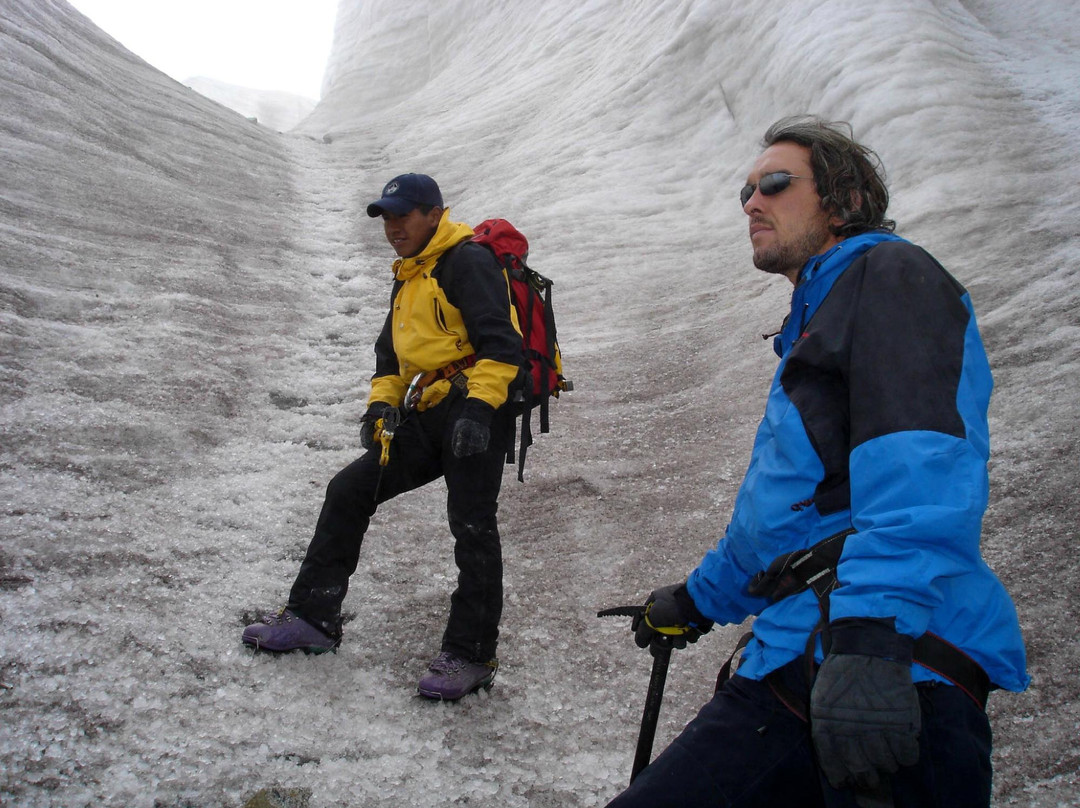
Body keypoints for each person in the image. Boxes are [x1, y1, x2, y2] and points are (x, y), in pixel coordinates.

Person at [605, 117, 1029, 807]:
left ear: (845, 202)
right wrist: (696, 600)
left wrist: (870, 638)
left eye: (775, 183)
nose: (751, 202)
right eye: (744, 190)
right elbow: (788, 516)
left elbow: (920, 468)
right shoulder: (822, 313)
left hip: (890, 671)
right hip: (809, 662)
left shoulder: (889, 274)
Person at [242, 173, 523, 701]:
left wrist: (480, 412)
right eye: (387, 218)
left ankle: (471, 655)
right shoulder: (410, 275)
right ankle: (312, 617)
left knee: (471, 524)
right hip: (431, 407)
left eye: (404, 215)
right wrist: (380, 407)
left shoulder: (467, 261)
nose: (393, 227)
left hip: (478, 406)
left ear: (435, 214)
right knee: (349, 489)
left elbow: (501, 345)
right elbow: (390, 357)